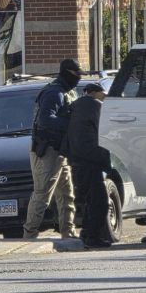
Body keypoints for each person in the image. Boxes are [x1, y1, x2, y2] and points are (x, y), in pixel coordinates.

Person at [22, 59, 81, 240]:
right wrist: (71, 124)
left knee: (67, 194)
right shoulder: (54, 93)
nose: (78, 78)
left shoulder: (66, 92)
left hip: (60, 152)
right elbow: (45, 120)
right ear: (67, 73)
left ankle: (68, 232)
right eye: (76, 74)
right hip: (47, 151)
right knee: (42, 195)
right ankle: (29, 234)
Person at [64, 81, 113, 249]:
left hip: (76, 160)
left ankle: (87, 233)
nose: (105, 98)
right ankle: (92, 236)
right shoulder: (96, 106)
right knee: (99, 202)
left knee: (86, 200)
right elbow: (104, 133)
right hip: (92, 160)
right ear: (96, 93)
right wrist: (107, 161)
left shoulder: (75, 106)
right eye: (103, 95)